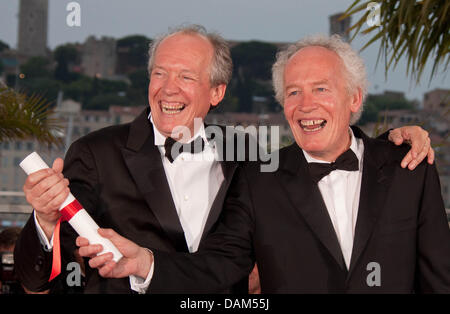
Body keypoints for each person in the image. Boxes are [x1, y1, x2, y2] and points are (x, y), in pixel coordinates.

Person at [15, 24, 434, 294]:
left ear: (216, 93)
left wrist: (390, 143)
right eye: (160, 73)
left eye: (186, 76)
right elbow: (41, 277)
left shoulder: (249, 157)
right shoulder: (95, 152)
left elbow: (335, 163)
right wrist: (46, 222)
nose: (168, 89)